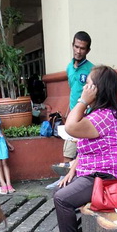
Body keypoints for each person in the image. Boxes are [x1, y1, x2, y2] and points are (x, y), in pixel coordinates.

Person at [53, 66, 117, 232]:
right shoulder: (105, 113)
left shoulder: (103, 117)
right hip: (96, 173)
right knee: (60, 189)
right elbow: (91, 145)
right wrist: (75, 166)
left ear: (98, 89)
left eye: (88, 85)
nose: (84, 89)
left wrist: (82, 101)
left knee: (62, 198)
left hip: (105, 178)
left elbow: (70, 127)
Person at [49, 31, 94, 186]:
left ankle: (74, 182)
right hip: (72, 115)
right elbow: (72, 90)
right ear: (72, 45)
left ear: (87, 50)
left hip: (87, 117)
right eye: (76, 46)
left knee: (84, 150)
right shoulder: (69, 67)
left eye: (82, 48)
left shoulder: (92, 70)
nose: (78, 51)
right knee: (68, 149)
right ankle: (63, 180)